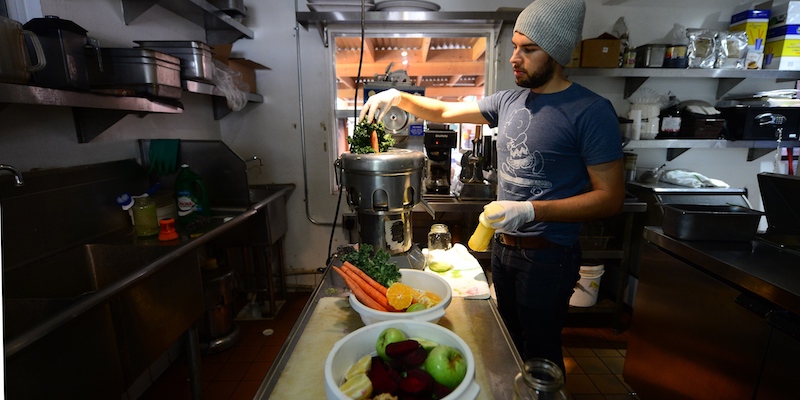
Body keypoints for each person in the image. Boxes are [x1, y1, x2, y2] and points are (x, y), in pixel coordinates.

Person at [358, 0, 625, 374]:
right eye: (515, 46)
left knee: (541, 352)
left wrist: (531, 210)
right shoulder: (509, 100)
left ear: (558, 51)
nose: (515, 58)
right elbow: (445, 112)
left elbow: (611, 198)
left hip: (549, 256)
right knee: (507, 340)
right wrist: (398, 96)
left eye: (528, 49)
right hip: (504, 251)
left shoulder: (590, 111)